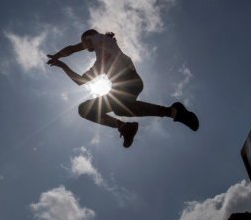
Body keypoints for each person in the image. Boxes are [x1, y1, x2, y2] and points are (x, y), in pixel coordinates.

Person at [46, 29, 199, 147]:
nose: (86, 48)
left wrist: (57, 56)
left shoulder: (98, 38)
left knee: (119, 106)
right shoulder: (100, 64)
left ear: (88, 39)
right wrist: (62, 65)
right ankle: (128, 125)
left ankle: (169, 112)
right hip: (123, 87)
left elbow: (73, 48)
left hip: (129, 80)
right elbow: (80, 81)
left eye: (86, 45)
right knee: (86, 109)